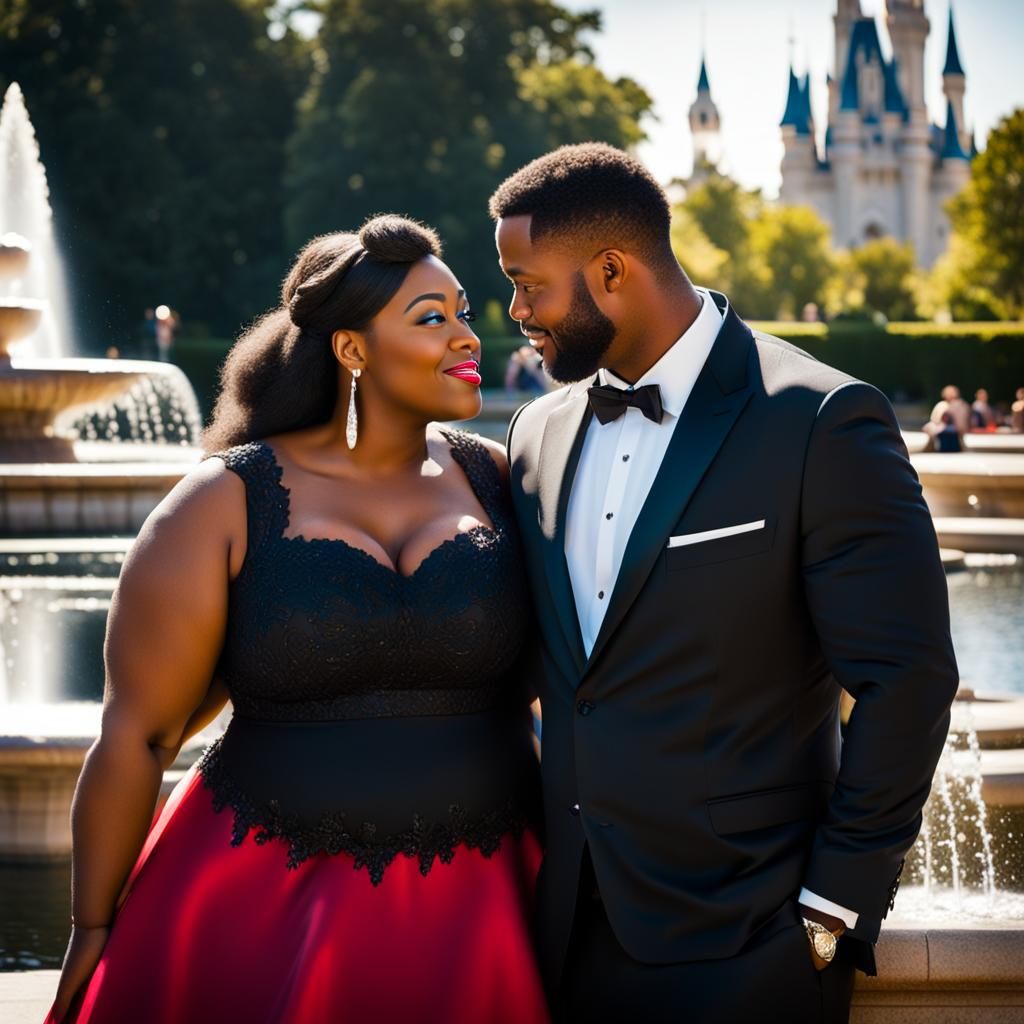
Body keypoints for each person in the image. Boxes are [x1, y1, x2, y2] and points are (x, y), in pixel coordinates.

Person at [490, 143, 958, 1024]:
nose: (515, 311)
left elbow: (908, 682)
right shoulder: (534, 435)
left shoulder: (819, 420)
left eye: (529, 284)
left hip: (752, 943)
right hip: (565, 941)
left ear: (613, 270)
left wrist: (832, 909)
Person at [45, 216, 548, 1024]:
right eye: (431, 318)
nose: (466, 336)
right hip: (258, 903)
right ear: (351, 351)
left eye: (461, 311)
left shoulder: (497, 479)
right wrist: (89, 928)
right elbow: (139, 735)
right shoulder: (221, 503)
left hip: (497, 907)